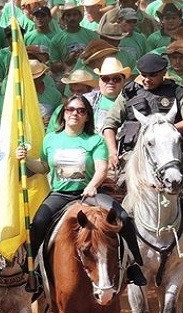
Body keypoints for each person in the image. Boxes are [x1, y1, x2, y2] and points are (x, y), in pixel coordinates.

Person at [16, 95, 147, 286]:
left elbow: (102, 168)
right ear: (64, 113)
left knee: (123, 217)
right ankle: (33, 269)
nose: (75, 114)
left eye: (80, 110)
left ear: (87, 116)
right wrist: (26, 159)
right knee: (38, 223)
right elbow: (44, 167)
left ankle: (134, 264)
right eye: (70, 109)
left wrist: (93, 185)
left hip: (89, 193)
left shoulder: (95, 140)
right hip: (60, 194)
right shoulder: (51, 139)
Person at [102, 53, 183, 165]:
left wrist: (165, 131)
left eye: (152, 75)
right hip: (134, 154)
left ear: (164, 72)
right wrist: (112, 152)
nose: (147, 79)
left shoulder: (178, 92)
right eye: (144, 75)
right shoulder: (129, 93)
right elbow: (109, 124)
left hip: (172, 153)